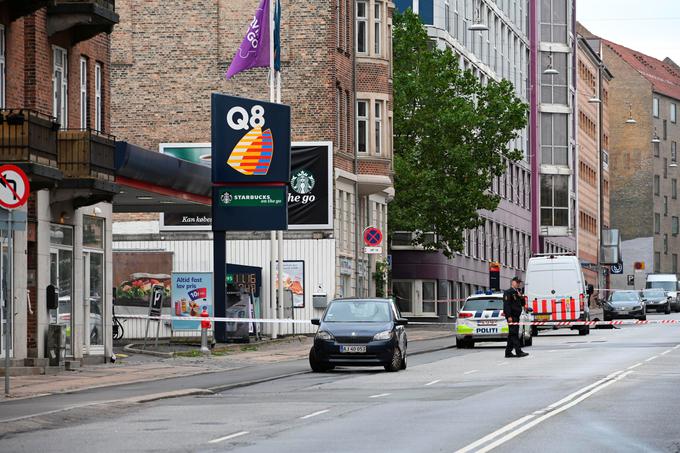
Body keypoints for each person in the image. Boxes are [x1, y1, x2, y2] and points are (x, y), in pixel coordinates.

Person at [503, 277, 529, 358]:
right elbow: (506, 305)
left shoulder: (518, 292)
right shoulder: (508, 292)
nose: (518, 284)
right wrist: (509, 316)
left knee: (512, 334)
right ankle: (519, 351)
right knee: (514, 334)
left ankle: (508, 352)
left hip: (516, 316)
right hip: (512, 317)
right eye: (517, 282)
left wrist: (521, 296)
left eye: (519, 283)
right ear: (512, 282)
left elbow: (522, 303)